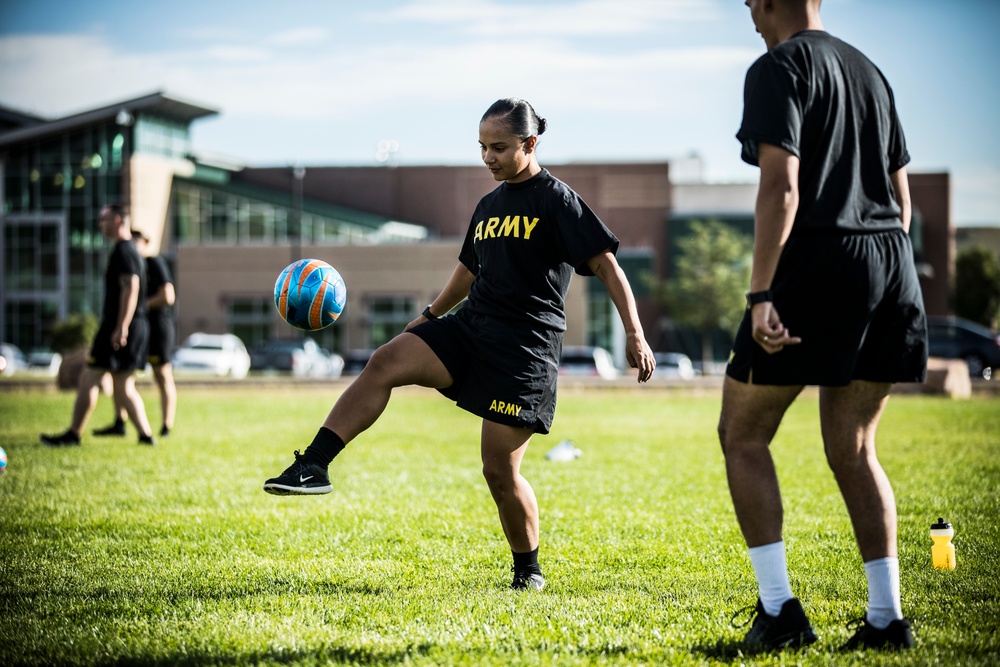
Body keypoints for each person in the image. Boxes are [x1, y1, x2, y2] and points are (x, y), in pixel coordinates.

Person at [263, 97, 656, 590]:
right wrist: (428, 317)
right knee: (386, 359)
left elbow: (608, 267)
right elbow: (468, 274)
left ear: (530, 143)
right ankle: (313, 465)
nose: (487, 157)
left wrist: (636, 334)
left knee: (498, 470)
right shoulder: (488, 206)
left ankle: (527, 571)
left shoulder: (556, 200)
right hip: (471, 330)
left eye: (499, 147)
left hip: (524, 351)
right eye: (482, 147)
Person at [718, 0, 927, 653]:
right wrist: (878, 277)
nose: (748, 10)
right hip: (891, 261)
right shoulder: (871, 71)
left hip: (821, 259)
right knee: (854, 446)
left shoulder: (777, 66)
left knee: (743, 433)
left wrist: (761, 294)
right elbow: (903, 202)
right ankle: (886, 618)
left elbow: (781, 187)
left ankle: (780, 612)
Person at [41, 205, 158, 447]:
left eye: (103, 219)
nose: (99, 224)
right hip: (132, 325)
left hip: (121, 325)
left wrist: (121, 326)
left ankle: (73, 435)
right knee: (123, 384)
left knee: (89, 377)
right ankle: (146, 437)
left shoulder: (124, 250)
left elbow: (131, 287)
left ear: (116, 220)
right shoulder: (129, 250)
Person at [93, 230, 177, 438]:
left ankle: (166, 425)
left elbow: (168, 296)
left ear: (146, 242)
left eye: (135, 240)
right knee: (120, 371)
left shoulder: (154, 262)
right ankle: (119, 421)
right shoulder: (130, 262)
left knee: (161, 374)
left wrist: (139, 306)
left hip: (157, 326)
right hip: (138, 325)